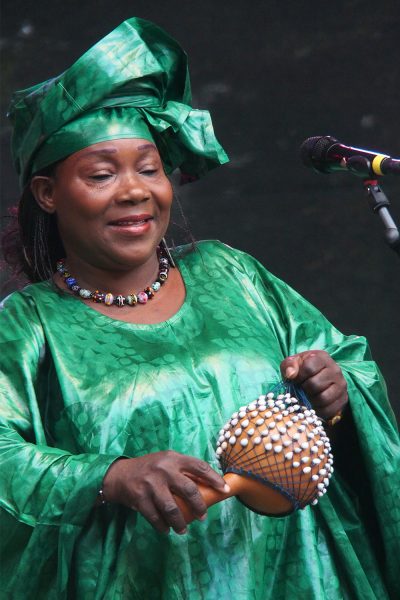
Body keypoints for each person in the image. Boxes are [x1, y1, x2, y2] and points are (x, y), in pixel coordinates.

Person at [0, 17, 399, 600]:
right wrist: (110, 475)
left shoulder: (230, 273)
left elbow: (346, 362)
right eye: (103, 173)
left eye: (150, 167)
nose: (135, 190)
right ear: (48, 194)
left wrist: (337, 391)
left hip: (296, 578)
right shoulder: (29, 325)